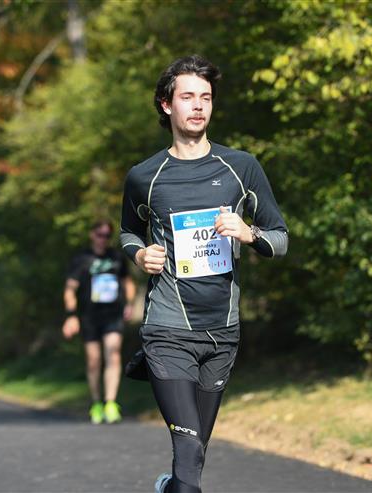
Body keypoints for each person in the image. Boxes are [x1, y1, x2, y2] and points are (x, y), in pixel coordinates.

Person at [120, 55, 288, 493]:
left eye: (206, 98)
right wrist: (140, 256)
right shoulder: (144, 176)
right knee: (189, 451)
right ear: (166, 104)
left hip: (222, 333)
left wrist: (249, 233)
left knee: (193, 459)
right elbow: (128, 232)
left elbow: (280, 239)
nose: (198, 106)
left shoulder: (240, 167)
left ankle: (168, 489)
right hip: (168, 329)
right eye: (188, 97)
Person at [62, 220, 135, 424]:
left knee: (113, 353)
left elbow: (128, 282)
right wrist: (71, 316)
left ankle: (111, 402)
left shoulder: (117, 257)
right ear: (92, 234)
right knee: (94, 360)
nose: (103, 239)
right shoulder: (82, 259)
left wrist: (129, 303)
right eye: (99, 234)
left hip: (113, 314)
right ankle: (96, 403)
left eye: (107, 235)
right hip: (89, 316)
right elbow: (70, 290)